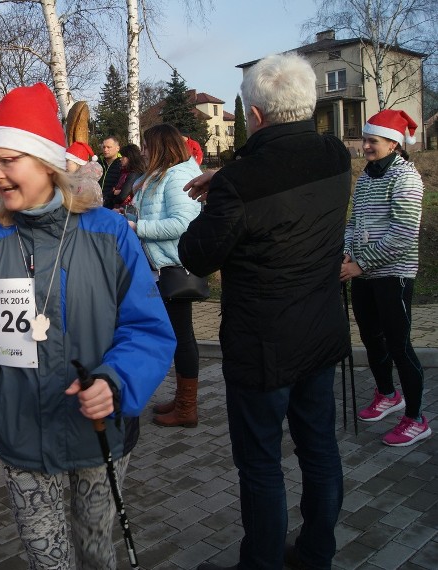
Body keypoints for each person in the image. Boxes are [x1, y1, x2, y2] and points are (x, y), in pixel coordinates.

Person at [0, 83, 176, 569]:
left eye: (7, 161)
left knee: (95, 549)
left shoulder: (107, 233)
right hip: (22, 431)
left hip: (98, 431)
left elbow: (148, 330)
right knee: (48, 559)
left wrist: (116, 381)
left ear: (45, 161)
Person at [179, 54, 350, 570]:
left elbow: (197, 254)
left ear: (253, 115)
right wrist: (229, 176)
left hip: (263, 346)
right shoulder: (335, 155)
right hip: (320, 330)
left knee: (260, 463)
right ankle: (318, 552)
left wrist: (220, 193)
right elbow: (282, 181)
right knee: (319, 448)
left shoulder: (240, 184)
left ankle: (262, 562)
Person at [341, 109, 430, 447]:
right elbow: (353, 222)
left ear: (393, 143)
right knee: (371, 338)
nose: (365, 146)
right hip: (362, 272)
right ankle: (388, 395)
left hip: (393, 274)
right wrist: (347, 253)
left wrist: (360, 264)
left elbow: (403, 234)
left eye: (371, 141)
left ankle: (416, 418)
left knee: (399, 344)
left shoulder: (405, 177)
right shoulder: (366, 177)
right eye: (365, 140)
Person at [130, 124, 203, 427]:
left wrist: (138, 229)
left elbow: (183, 224)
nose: (143, 152)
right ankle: (182, 398)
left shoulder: (176, 177)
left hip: (173, 268)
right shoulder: (160, 176)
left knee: (182, 337)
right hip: (159, 269)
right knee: (176, 336)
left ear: (159, 147)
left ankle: (187, 407)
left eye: (146, 146)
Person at [113, 143, 146, 209]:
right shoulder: (124, 172)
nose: (120, 159)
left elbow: (123, 196)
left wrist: (114, 195)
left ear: (130, 157)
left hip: (127, 210)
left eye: (123, 157)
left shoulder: (134, 174)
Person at [98, 135, 122, 209]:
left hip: (113, 208)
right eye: (104, 147)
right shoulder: (97, 163)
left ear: (117, 148)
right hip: (95, 205)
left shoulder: (122, 164)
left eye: (109, 147)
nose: (105, 150)